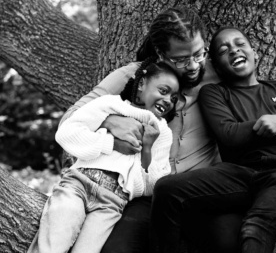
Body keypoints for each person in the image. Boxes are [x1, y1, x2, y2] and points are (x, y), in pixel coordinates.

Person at [61, 8, 276, 253]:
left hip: (203, 193)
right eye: (181, 59)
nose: (193, 66)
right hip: (146, 192)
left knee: (230, 243)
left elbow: (258, 95)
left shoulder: (221, 73)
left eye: (199, 54)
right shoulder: (136, 76)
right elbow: (71, 119)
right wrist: (109, 121)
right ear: (161, 53)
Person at [150, 26, 276, 253]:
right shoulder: (215, 93)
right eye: (224, 50)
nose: (234, 51)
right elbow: (230, 135)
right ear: (216, 65)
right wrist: (273, 120)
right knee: (167, 190)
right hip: (240, 174)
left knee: (255, 230)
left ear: (254, 52)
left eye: (240, 44)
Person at [28, 60, 179, 253]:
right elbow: (67, 133)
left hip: (112, 202)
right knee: (54, 240)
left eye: (174, 98)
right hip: (79, 183)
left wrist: (147, 148)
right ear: (141, 84)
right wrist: (111, 144)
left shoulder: (162, 132)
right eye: (163, 91)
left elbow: (152, 186)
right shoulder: (109, 104)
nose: (168, 100)